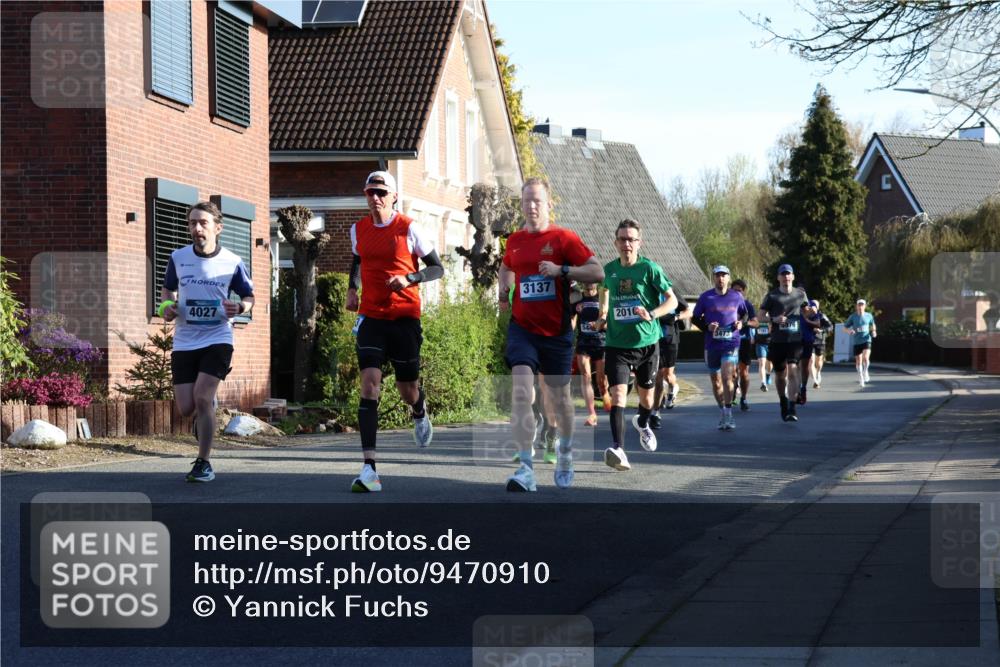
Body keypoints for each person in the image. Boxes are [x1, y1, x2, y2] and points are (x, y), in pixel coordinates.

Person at [499, 177, 604, 491]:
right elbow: (506, 267)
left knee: (559, 401)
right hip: (522, 329)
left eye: (537, 201)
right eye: (526, 201)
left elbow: (597, 271)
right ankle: (525, 469)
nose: (531, 207)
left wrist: (563, 271)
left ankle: (566, 451)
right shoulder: (514, 240)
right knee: (521, 392)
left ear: (548, 205)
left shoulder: (563, 238)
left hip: (556, 332)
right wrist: (503, 291)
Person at [345, 171, 444, 492]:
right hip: (371, 317)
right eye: (370, 192)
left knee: (407, 390)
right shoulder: (358, 229)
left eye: (381, 192)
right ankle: (369, 468)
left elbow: (437, 267)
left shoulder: (408, 228)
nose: (375, 197)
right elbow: (358, 260)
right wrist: (351, 289)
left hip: (404, 318)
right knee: (370, 384)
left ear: (394, 196)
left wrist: (410, 279)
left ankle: (419, 409)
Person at [160, 201, 255, 483]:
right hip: (186, 339)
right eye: (192, 223)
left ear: (218, 227)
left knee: (202, 397)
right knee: (186, 408)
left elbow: (249, 297)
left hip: (218, 337)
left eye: (203, 223)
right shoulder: (178, 257)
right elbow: (168, 289)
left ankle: (203, 462)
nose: (196, 228)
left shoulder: (233, 261)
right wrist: (167, 305)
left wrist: (239, 309)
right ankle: (206, 410)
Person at [600, 219, 677, 471]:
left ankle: (642, 424)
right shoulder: (609, 270)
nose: (626, 244)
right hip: (616, 345)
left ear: (639, 243)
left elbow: (672, 301)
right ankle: (618, 450)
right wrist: (603, 315)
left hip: (647, 344)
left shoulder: (650, 269)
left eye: (631, 239)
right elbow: (604, 293)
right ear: (615, 242)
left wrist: (652, 314)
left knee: (647, 397)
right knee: (618, 394)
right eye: (622, 239)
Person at [692, 266, 748, 430]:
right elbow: (695, 318)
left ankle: (729, 412)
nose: (720, 279)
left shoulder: (736, 296)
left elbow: (744, 314)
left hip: (731, 342)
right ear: (714, 278)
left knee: (726, 376)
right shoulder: (705, 297)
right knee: (716, 383)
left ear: (729, 278)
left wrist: (740, 323)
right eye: (718, 276)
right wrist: (707, 326)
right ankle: (723, 410)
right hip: (712, 344)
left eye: (724, 276)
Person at [758, 264, 809, 422]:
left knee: (793, 371)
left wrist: (811, 311)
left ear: (792, 277)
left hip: (795, 340)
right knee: (781, 375)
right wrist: (774, 319)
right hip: (778, 340)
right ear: (778, 278)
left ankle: (792, 408)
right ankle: (783, 401)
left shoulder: (800, 295)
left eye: (789, 274)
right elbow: (760, 316)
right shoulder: (772, 296)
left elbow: (806, 311)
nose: (786, 277)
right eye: (783, 275)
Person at [649, 292, 691, 429]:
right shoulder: (646, 290)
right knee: (658, 377)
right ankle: (655, 413)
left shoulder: (671, 291)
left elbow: (688, 311)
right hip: (653, 340)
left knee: (668, 375)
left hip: (670, 339)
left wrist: (677, 317)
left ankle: (673, 387)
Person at [572, 282, 608, 427]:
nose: (589, 285)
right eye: (586, 282)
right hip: (583, 342)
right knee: (585, 376)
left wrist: (599, 325)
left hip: (601, 342)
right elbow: (572, 320)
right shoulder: (577, 299)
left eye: (591, 282)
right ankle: (592, 413)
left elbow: (608, 322)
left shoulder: (603, 297)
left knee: (600, 380)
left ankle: (605, 395)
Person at [730, 278, 758, 412]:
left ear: (744, 292)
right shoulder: (727, 304)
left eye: (739, 291)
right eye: (734, 291)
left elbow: (756, 323)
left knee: (744, 372)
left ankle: (744, 398)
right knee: (732, 373)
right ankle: (733, 393)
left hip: (744, 340)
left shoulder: (748, 305)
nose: (737, 293)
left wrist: (745, 323)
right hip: (730, 341)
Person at [844, 298, 877, 388]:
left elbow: (873, 324)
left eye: (862, 305)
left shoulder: (869, 316)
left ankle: (865, 371)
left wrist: (874, 331)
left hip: (867, 339)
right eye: (859, 305)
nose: (860, 306)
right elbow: (845, 328)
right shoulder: (853, 316)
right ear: (856, 306)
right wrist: (850, 331)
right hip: (857, 341)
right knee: (859, 360)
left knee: (866, 358)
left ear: (865, 306)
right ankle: (861, 377)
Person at [802, 299, 833, 391]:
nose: (812, 307)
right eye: (811, 305)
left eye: (814, 305)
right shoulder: (805, 316)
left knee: (818, 362)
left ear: (818, 307)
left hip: (820, 341)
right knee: (811, 361)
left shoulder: (821, 316)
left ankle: (818, 372)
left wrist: (822, 330)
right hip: (809, 341)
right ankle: (815, 380)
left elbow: (830, 326)